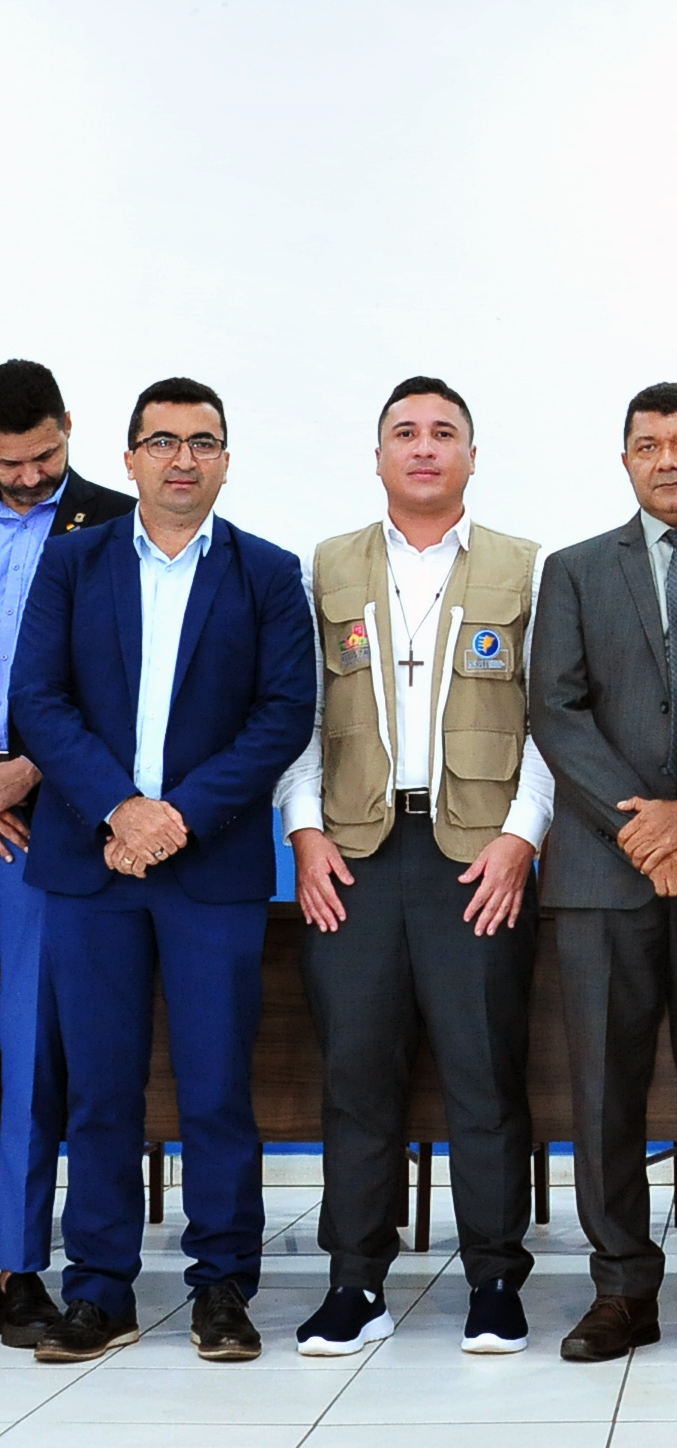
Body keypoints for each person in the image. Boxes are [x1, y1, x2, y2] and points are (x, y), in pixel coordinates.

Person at [7, 377, 314, 1362]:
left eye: (203, 441)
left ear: (226, 458)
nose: (183, 458)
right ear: (130, 455)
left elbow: (282, 715)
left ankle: (222, 1284)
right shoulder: (73, 562)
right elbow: (41, 703)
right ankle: (98, 1287)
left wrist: (176, 815)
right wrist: (120, 806)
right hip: (91, 863)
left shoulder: (267, 574)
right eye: (163, 441)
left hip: (208, 864)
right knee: (99, 1089)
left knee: (217, 1086)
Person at [273, 378, 553, 1356]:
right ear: (379, 453)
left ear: (472, 455)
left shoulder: (525, 566)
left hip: (476, 855)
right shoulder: (328, 565)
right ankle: (355, 1282)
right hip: (352, 854)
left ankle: (492, 1280)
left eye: (444, 433)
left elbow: (546, 719)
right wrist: (303, 829)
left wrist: (522, 835)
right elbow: (300, 711)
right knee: (355, 1075)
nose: (424, 447)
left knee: (483, 1073)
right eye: (406, 432)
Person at [530, 382, 677, 1364]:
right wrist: (644, 829)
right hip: (600, 869)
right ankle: (620, 1285)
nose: (668, 459)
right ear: (624, 460)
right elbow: (555, 706)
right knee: (603, 1091)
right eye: (647, 445)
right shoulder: (577, 569)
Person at [0, 360, 134, 1348]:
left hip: (36, 828)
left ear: (70, 431)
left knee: (27, 1057)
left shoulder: (120, 527)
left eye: (44, 457)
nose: (26, 479)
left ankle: (13, 1262)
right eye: (6, 464)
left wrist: (29, 769)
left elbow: (126, 680)